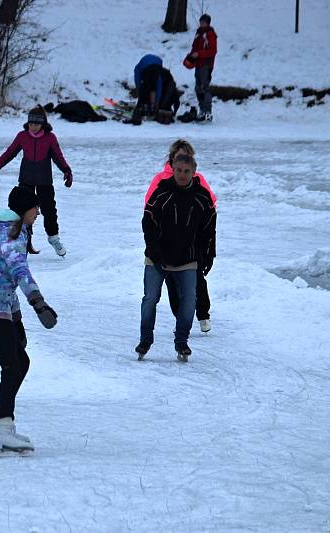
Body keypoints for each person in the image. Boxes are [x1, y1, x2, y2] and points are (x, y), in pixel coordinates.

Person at [0, 186, 58, 452]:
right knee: (13, 366)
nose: (38, 212)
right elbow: (19, 271)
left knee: (21, 361)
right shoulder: (12, 234)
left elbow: (6, 278)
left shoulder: (12, 231)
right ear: (23, 209)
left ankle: (0, 421)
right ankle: (4, 426)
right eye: (35, 207)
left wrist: (16, 319)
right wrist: (39, 303)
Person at [137, 153, 216, 362]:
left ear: (194, 171)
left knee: (189, 300)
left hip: (187, 258)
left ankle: (181, 341)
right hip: (157, 257)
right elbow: (148, 222)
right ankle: (145, 340)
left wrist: (208, 255)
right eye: (178, 170)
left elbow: (209, 230)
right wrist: (154, 252)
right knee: (150, 299)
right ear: (173, 169)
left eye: (186, 171)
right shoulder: (162, 193)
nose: (182, 175)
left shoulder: (202, 197)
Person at [0, 106, 73, 257]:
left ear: (43, 124)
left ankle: (53, 238)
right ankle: (25, 241)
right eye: (31, 123)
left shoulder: (50, 138)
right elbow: (9, 153)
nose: (33, 127)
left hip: (44, 181)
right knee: (23, 212)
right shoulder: (22, 136)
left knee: (49, 211)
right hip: (26, 181)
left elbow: (58, 157)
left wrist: (67, 171)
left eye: (37, 124)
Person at [132, 54, 180, 124]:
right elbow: (158, 87)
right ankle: (151, 107)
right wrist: (157, 103)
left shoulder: (159, 75)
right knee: (151, 87)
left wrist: (140, 94)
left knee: (148, 88)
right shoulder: (161, 74)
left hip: (151, 64)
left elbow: (138, 82)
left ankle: (149, 107)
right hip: (156, 63)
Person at [188, 14, 218, 122]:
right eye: (201, 22)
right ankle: (202, 110)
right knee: (198, 88)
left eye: (203, 22)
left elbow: (212, 51)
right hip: (198, 64)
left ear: (208, 23)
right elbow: (194, 47)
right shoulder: (199, 33)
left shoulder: (211, 34)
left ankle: (208, 111)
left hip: (206, 64)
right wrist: (191, 56)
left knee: (204, 87)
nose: (201, 24)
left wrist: (199, 54)